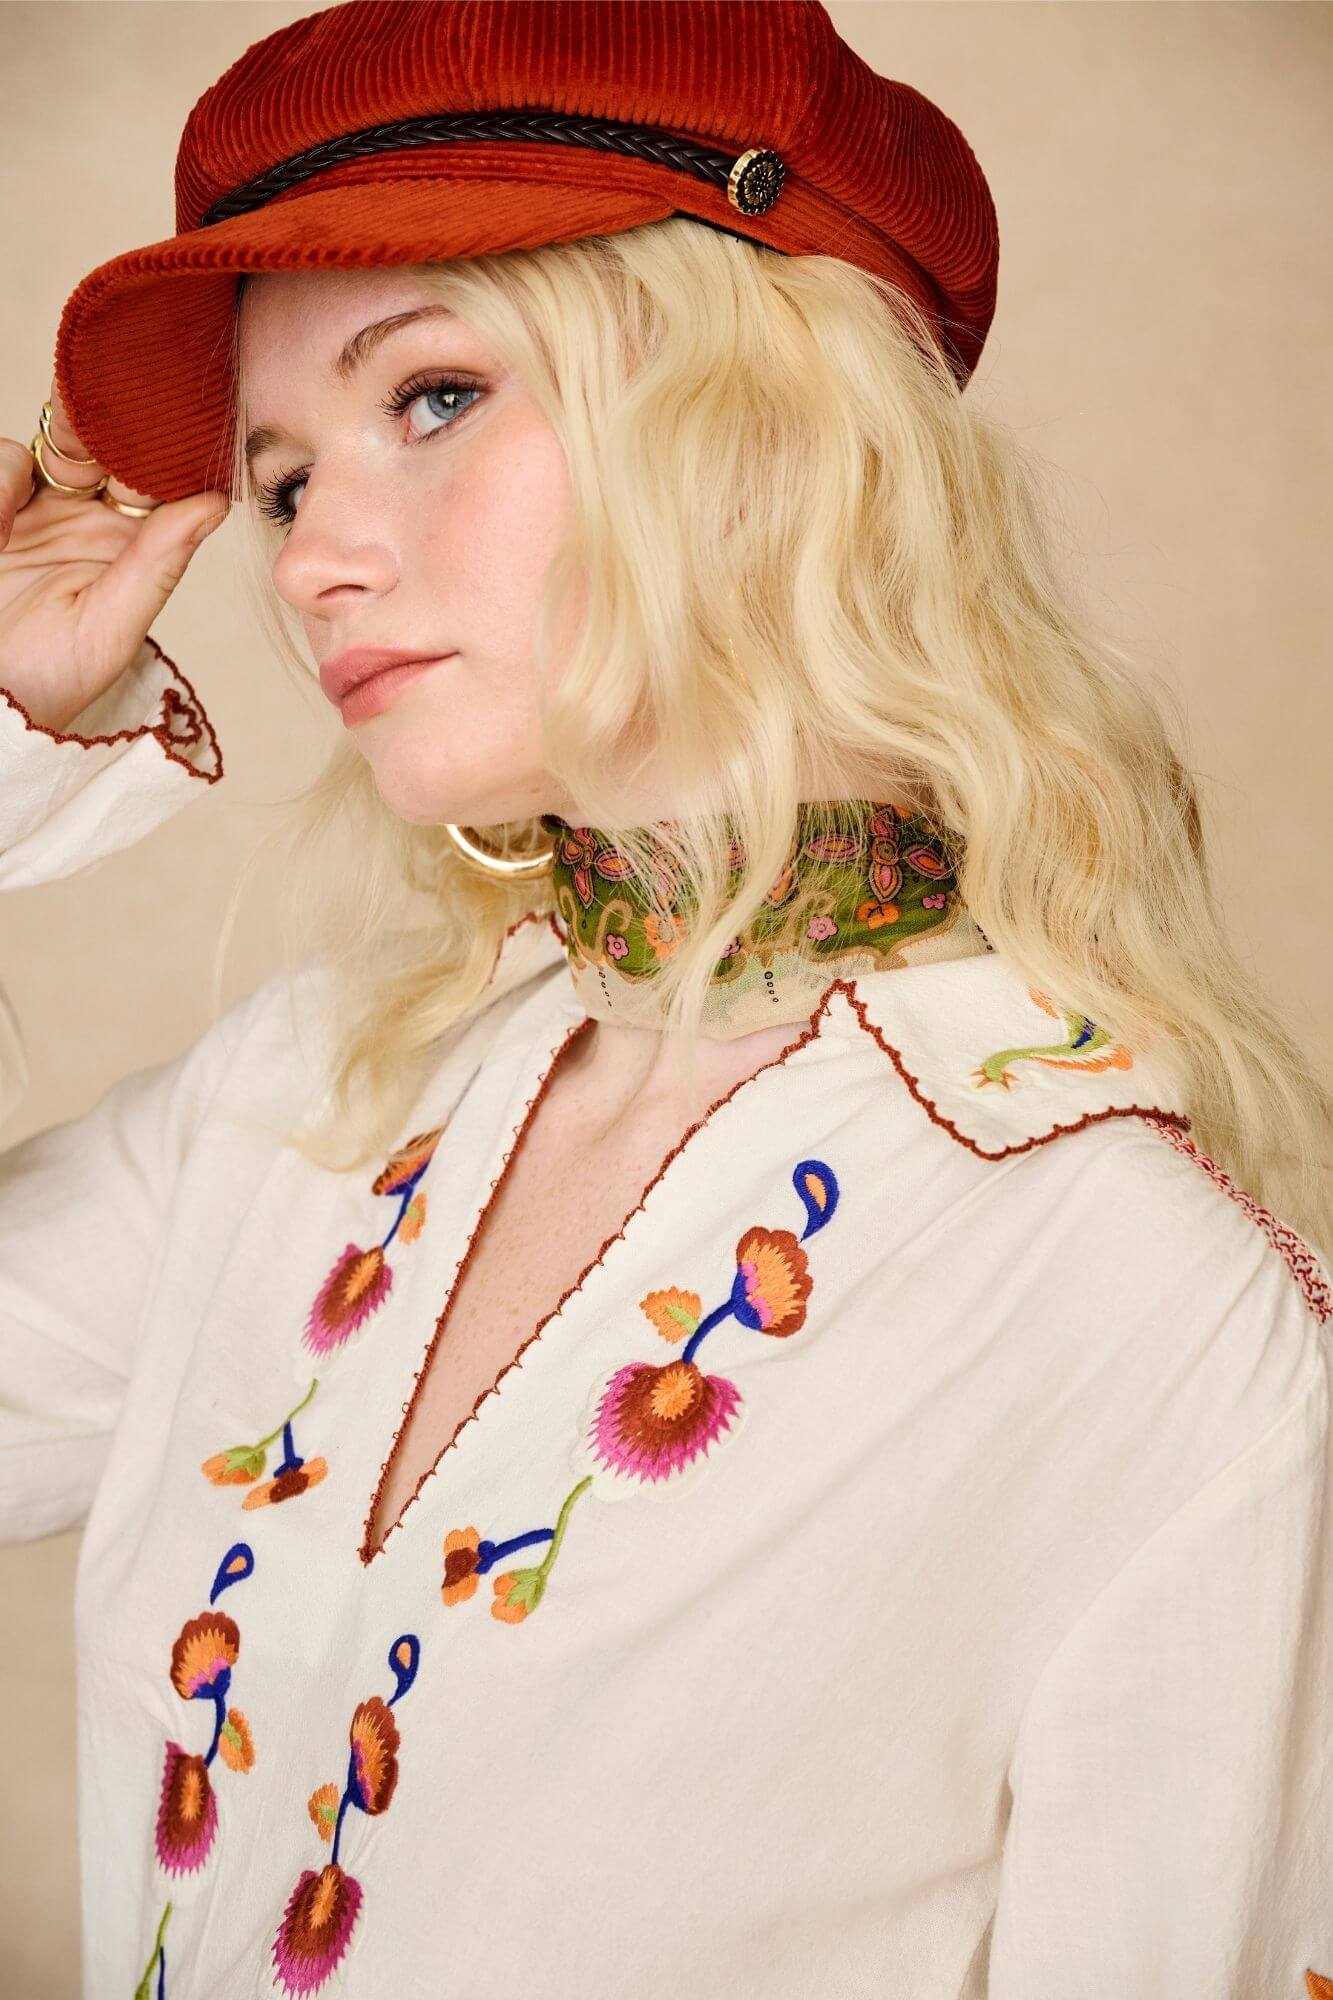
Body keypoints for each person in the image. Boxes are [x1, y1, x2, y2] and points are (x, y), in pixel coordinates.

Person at [1, 4, 1331, 1996]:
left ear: (776, 426)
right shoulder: (300, 1105)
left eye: (434, 396)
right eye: (278, 480)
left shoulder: (1122, 1295)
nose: (311, 559)